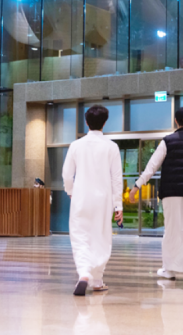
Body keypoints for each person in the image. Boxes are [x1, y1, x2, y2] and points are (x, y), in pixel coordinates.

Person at [128, 107, 183, 282]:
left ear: (175, 121)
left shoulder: (167, 141)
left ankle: (169, 270)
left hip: (171, 192)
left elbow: (152, 166)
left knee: (172, 231)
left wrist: (137, 185)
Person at [62, 105, 124, 296]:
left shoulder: (76, 145)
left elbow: (66, 174)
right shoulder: (111, 147)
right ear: (104, 123)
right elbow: (116, 178)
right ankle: (97, 280)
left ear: (86, 122)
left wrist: (70, 191)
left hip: (81, 198)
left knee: (80, 235)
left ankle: (84, 272)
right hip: (103, 200)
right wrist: (118, 204)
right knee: (100, 237)